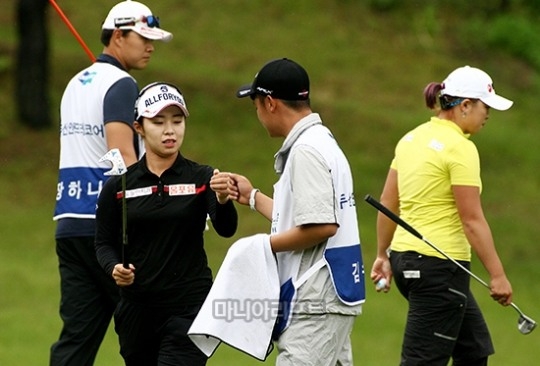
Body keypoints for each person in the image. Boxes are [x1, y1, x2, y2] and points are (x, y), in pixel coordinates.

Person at [51, 1, 172, 365]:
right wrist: (156, 208)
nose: (150, 46)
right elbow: (121, 157)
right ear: (118, 36)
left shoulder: (77, 82)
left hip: (69, 225)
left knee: (76, 340)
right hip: (108, 234)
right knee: (148, 332)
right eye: (143, 38)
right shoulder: (121, 84)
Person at [370, 65, 514, 366]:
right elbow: (471, 220)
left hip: (406, 259)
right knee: (422, 361)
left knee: (473, 349)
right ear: (464, 106)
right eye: (485, 106)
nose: (488, 114)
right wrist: (498, 275)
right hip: (438, 267)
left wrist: (383, 255)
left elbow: (387, 202)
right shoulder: (460, 148)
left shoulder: (410, 139)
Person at [230, 58, 365, 365]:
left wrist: (259, 246)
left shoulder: (306, 150)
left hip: (316, 301)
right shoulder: (323, 141)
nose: (258, 114)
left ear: (270, 103)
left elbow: (321, 226)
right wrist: (252, 197)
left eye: (256, 105)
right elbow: (304, 214)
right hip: (333, 294)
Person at [94, 81, 238, 365]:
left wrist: (222, 199)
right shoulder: (119, 185)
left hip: (190, 307)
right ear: (139, 128)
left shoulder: (203, 177)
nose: (170, 130)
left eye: (177, 120)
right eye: (158, 122)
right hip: (137, 312)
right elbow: (103, 242)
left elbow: (226, 228)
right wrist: (115, 268)